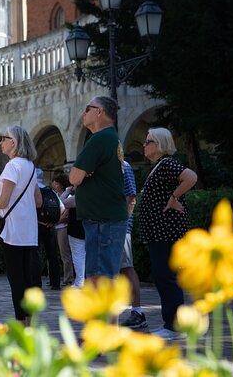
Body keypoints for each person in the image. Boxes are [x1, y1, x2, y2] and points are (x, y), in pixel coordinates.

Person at [139, 127, 198, 340]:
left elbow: (190, 177)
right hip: (160, 231)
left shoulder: (166, 164)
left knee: (166, 276)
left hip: (166, 231)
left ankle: (173, 326)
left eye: (148, 141)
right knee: (164, 276)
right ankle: (173, 324)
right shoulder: (159, 166)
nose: (144, 145)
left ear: (159, 144)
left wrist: (174, 197)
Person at [69, 96, 128, 282]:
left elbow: (74, 178)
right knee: (105, 279)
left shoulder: (100, 139)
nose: (83, 113)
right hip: (106, 219)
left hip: (102, 221)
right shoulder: (110, 138)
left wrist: (83, 173)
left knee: (99, 281)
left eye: (87, 109)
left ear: (99, 112)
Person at [0, 126, 42, 323]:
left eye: (4, 138)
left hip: (12, 230)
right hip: (29, 230)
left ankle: (21, 324)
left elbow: (3, 202)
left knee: (16, 279)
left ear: (14, 142)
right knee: (29, 279)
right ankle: (30, 322)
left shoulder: (12, 166)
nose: (1, 142)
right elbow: (38, 201)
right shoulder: (30, 166)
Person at [119, 160, 147, 330]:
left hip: (120, 226)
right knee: (121, 270)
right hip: (112, 225)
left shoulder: (124, 165)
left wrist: (123, 221)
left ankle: (137, 311)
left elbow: (131, 196)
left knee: (126, 268)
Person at [34, 168, 62, 290]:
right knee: (53, 255)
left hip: (37, 226)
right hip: (51, 227)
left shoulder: (34, 191)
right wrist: (53, 222)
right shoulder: (51, 191)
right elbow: (62, 208)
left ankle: (37, 283)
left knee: (37, 255)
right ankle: (55, 282)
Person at [51, 173, 75, 287]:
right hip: (55, 227)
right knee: (55, 254)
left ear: (61, 184)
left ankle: (68, 278)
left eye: (56, 183)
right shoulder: (55, 196)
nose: (54, 185)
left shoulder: (68, 197)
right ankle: (55, 277)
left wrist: (54, 220)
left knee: (65, 254)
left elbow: (65, 215)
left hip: (62, 228)